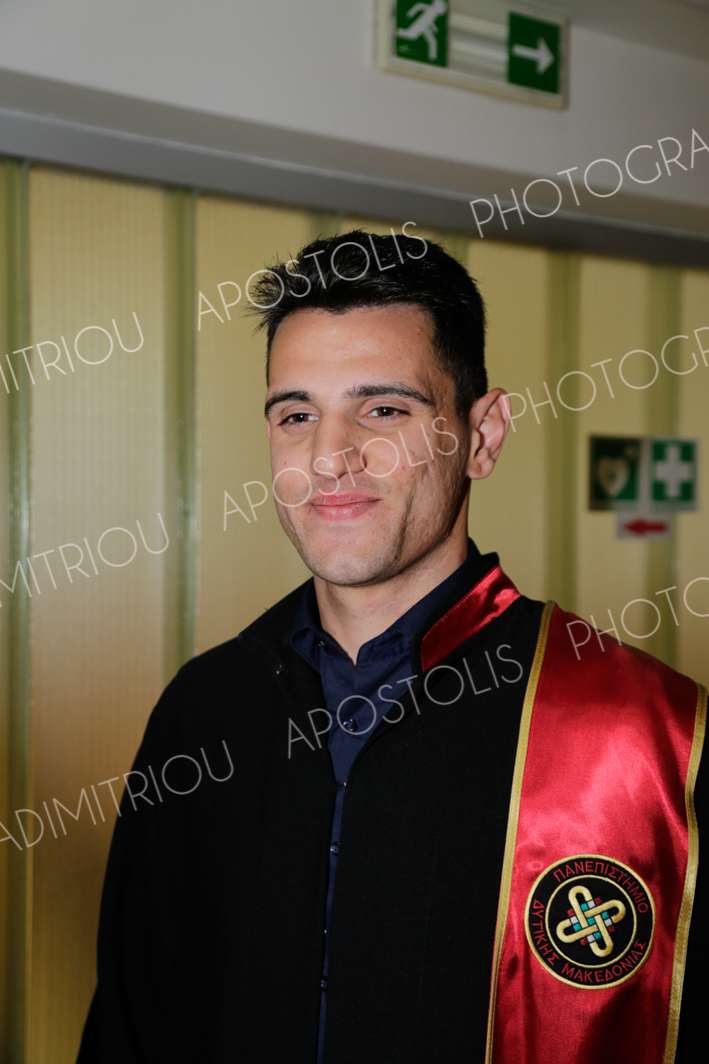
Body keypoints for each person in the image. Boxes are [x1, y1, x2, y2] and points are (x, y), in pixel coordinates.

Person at [77, 229, 707, 1063]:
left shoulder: (647, 738)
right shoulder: (204, 712)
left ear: (481, 435)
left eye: (383, 410)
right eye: (297, 415)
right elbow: (131, 1023)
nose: (329, 458)